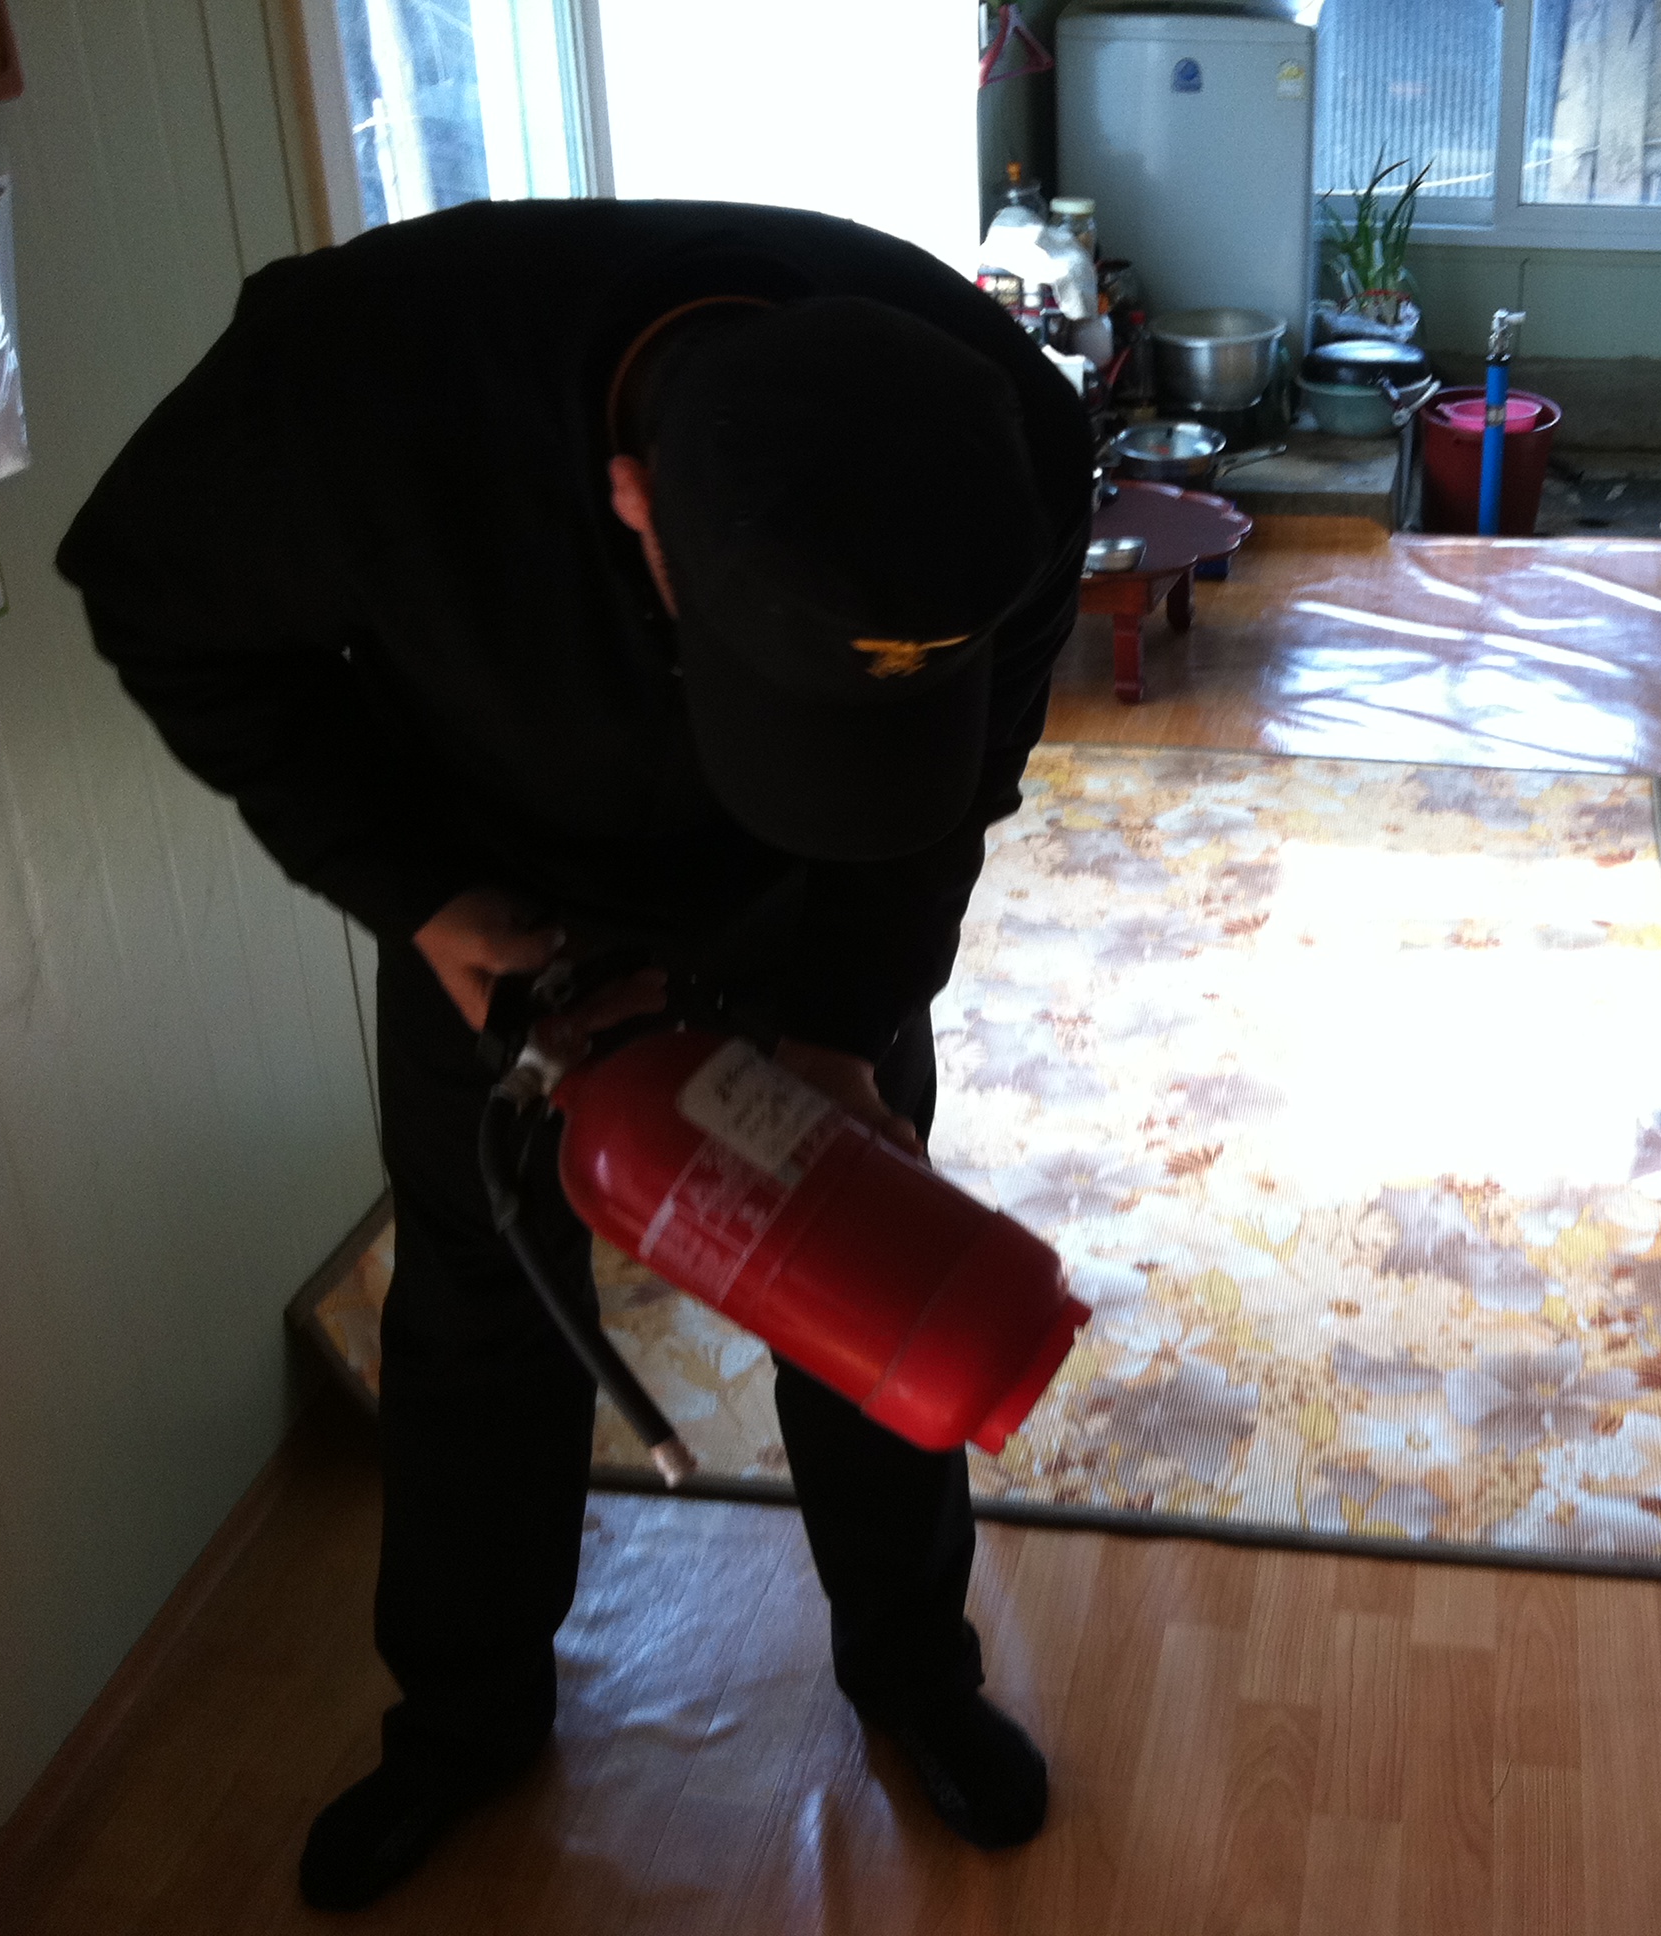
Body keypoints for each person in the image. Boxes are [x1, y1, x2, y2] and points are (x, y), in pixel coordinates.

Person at [56, 199, 1092, 1911]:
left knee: (866, 1277)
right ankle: (461, 1723)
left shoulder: (1009, 440)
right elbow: (154, 602)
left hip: (817, 902)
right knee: (479, 1313)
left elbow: (956, 786)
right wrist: (418, 896)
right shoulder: (357, 389)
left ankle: (914, 1673)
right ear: (633, 507)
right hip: (500, 902)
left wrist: (843, 1032)